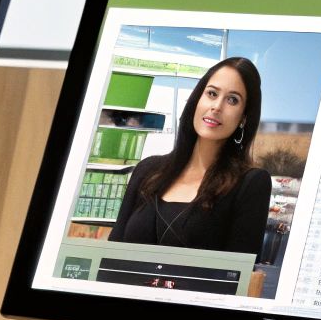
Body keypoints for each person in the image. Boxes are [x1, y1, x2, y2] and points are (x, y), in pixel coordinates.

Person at [109, 56, 272, 256]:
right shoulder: (147, 170)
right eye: (212, 93)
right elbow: (112, 253)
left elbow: (236, 277)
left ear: (243, 118)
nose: (217, 107)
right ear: (197, 100)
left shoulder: (250, 183)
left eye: (232, 100)